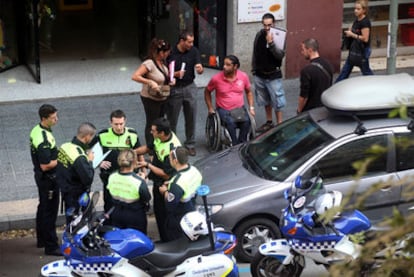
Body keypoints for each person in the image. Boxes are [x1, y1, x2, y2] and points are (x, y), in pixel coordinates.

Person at [135, 117, 182, 241]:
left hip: (166, 185)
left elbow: (166, 174)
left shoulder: (172, 149)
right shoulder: (159, 138)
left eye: (153, 131)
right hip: (158, 182)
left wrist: (148, 165)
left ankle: (168, 241)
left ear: (161, 133)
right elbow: (148, 148)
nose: (151, 132)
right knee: (159, 213)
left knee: (165, 215)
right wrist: (133, 152)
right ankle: (163, 237)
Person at [96, 109, 144, 214]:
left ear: (125, 122)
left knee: (128, 204)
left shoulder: (132, 134)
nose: (119, 127)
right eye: (116, 124)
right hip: (109, 176)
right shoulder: (102, 135)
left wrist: (143, 171)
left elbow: (139, 153)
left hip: (129, 176)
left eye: (121, 124)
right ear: (111, 123)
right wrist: (99, 162)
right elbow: (91, 153)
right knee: (109, 204)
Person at [166, 30, 204, 156]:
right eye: (189, 42)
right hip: (175, 88)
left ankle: (190, 144)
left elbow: (199, 66)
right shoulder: (170, 53)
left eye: (192, 41)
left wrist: (200, 69)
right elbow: (164, 71)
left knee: (191, 116)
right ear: (181, 41)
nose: (191, 44)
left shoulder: (193, 51)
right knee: (172, 119)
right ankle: (172, 144)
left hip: (190, 87)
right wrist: (174, 74)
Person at [29, 104, 60, 256]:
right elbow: (45, 165)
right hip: (48, 179)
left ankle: (42, 239)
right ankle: (51, 245)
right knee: (50, 211)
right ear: (44, 118)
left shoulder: (37, 130)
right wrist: (60, 159)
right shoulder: (43, 139)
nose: (56, 120)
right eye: (53, 118)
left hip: (42, 179)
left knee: (43, 207)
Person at [204, 55, 255, 145]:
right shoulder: (216, 79)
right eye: (224, 64)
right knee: (231, 123)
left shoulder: (243, 76)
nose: (224, 67)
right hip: (224, 109)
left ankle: (241, 143)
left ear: (235, 66)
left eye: (228, 65)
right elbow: (207, 92)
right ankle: (234, 145)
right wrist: (210, 108)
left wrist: (251, 107)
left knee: (247, 121)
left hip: (239, 109)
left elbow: (249, 92)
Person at [132, 38, 174, 145]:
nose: (168, 54)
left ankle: (158, 142)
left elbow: (164, 78)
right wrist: (150, 81)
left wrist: (172, 80)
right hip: (150, 98)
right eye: (167, 52)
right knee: (152, 122)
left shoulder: (163, 63)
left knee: (160, 121)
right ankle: (150, 146)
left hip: (161, 97)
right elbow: (135, 76)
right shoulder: (149, 63)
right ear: (161, 52)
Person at [252, 13, 287, 133]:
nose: (267, 28)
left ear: (274, 23)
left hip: (273, 74)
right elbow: (255, 52)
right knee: (265, 100)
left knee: (277, 101)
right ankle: (269, 122)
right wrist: (254, 68)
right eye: (265, 25)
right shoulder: (259, 35)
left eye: (270, 25)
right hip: (260, 73)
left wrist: (271, 44)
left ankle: (280, 124)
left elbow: (280, 55)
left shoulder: (280, 35)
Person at [158, 146, 202, 241]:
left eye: (170, 158)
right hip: (192, 209)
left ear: (175, 161)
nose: (169, 160)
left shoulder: (177, 183)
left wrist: (165, 191)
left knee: (177, 241)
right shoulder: (195, 170)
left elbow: (170, 205)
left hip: (179, 218)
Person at [57, 122, 96, 225]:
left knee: (70, 220)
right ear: (87, 136)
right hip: (77, 195)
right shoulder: (79, 157)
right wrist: (90, 161)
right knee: (79, 223)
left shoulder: (65, 146)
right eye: (92, 137)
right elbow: (88, 178)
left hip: (66, 190)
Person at [107, 149, 151, 234]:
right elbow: (147, 197)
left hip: (116, 213)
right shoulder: (138, 181)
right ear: (134, 162)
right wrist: (143, 182)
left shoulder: (112, 176)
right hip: (135, 215)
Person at [335, 0, 374, 83]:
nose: (355, 11)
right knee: (345, 71)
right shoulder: (357, 20)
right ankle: (336, 86)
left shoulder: (365, 22)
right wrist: (349, 33)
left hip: (362, 51)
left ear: (364, 10)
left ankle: (376, 84)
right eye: (355, 8)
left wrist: (352, 34)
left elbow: (365, 39)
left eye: (358, 9)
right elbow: (355, 32)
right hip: (355, 49)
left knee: (366, 72)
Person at [297, 38, 334, 113]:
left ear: (310, 50)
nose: (302, 52)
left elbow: (304, 96)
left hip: (311, 110)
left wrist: (299, 110)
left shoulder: (306, 71)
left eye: (303, 49)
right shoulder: (328, 64)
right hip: (325, 107)